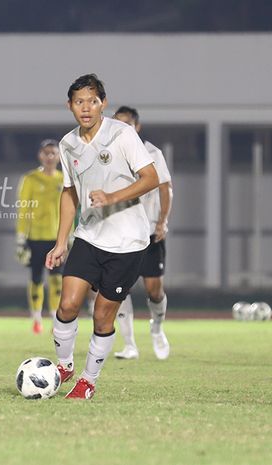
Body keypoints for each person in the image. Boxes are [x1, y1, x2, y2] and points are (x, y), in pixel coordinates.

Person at [45, 74, 160, 399]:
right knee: (67, 305)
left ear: (102, 103)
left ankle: (88, 380)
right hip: (89, 236)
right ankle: (65, 365)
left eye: (91, 101)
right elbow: (69, 194)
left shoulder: (121, 135)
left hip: (128, 243)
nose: (85, 107)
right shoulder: (67, 144)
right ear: (70, 106)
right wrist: (60, 242)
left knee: (102, 314)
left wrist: (113, 197)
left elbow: (150, 178)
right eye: (78, 101)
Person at [109, 106, 173, 361]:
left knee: (154, 290)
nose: (122, 129)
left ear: (137, 127)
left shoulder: (151, 153)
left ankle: (156, 328)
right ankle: (130, 344)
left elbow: (165, 187)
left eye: (127, 124)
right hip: (120, 233)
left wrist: (162, 222)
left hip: (148, 232)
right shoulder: (110, 154)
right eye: (118, 124)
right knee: (119, 290)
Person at [16, 139, 64, 334]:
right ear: (40, 156)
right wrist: (21, 238)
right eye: (46, 153)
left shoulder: (64, 180)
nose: (50, 157)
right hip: (35, 237)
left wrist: (69, 237)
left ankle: (55, 318)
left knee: (57, 279)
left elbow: (71, 210)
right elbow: (23, 208)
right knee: (36, 279)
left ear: (59, 157)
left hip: (57, 239)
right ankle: (36, 318)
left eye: (53, 153)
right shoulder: (30, 179)